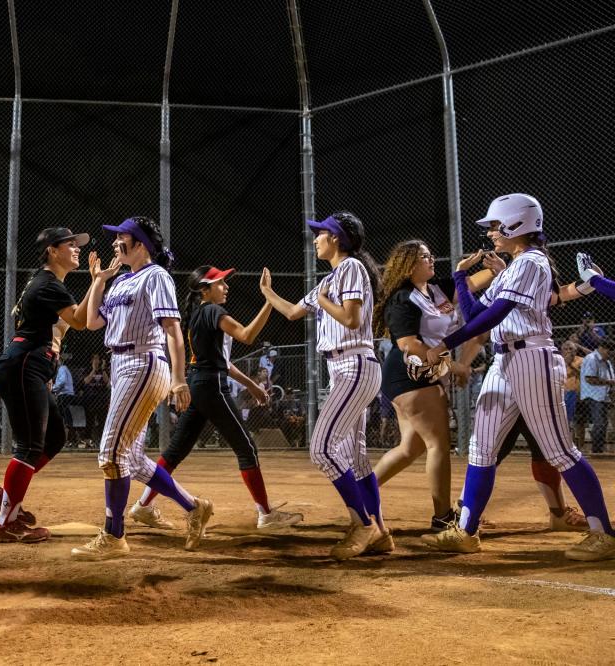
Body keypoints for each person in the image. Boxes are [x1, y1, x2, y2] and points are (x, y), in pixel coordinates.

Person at [422, 193, 615, 561]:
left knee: (559, 450)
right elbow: (478, 312)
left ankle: (603, 533)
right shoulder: (514, 266)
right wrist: (461, 278)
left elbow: (495, 315)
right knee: (482, 447)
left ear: (516, 225)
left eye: (496, 225)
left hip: (531, 359)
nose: (492, 233)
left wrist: (446, 343)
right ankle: (465, 531)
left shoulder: (531, 262)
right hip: (503, 360)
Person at [71, 216, 214, 560]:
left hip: (143, 363)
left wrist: (179, 378)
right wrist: (98, 282)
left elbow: (173, 330)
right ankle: (195, 507)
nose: (114, 244)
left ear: (140, 245)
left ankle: (113, 535)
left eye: (121, 239)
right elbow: (91, 322)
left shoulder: (156, 276)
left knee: (111, 454)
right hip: (121, 365)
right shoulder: (120, 281)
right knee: (132, 459)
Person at [128, 265, 303, 531]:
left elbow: (224, 361)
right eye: (220, 282)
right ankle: (265, 514)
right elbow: (247, 335)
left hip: (200, 384)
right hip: (212, 386)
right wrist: (269, 300)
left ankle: (143, 506)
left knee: (175, 452)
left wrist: (252, 386)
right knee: (246, 448)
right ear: (204, 289)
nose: (226, 286)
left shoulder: (199, 314)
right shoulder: (213, 311)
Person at [260, 211, 390, 560]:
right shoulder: (331, 278)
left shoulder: (349, 268)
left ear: (336, 239)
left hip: (354, 364)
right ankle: (379, 530)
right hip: (346, 367)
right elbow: (291, 313)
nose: (315, 238)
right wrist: (268, 293)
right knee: (357, 459)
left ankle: (362, 524)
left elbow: (352, 317)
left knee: (322, 448)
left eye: (321, 234)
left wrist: (324, 300)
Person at [370, 240, 497, 532]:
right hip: (409, 373)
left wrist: (493, 262)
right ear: (410, 265)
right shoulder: (403, 299)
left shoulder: (436, 289)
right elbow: (409, 346)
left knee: (410, 447)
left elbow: (474, 283)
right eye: (425, 257)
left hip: (424, 370)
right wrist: (453, 367)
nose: (432, 260)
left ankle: (361, 492)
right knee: (438, 443)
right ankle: (443, 517)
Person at [0, 227, 96, 544]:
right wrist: (98, 280)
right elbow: (79, 320)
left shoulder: (45, 283)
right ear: (51, 250)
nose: (76, 248)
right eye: (70, 244)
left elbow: (76, 321)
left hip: (30, 367)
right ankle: (5, 521)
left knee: (55, 437)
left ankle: (7, 496)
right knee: (30, 445)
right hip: (25, 366)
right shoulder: (47, 283)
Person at [579, 339, 614, 454]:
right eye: (608, 352)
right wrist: (609, 382)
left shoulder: (606, 361)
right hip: (593, 396)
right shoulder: (591, 359)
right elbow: (589, 379)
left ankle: (598, 450)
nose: (610, 356)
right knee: (599, 423)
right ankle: (596, 451)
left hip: (603, 396)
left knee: (602, 424)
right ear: (602, 348)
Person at [82, 352, 110, 442]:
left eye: (98, 359)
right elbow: (86, 381)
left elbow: (107, 383)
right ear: (91, 361)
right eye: (95, 358)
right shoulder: (88, 369)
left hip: (101, 399)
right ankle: (87, 440)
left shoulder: (103, 371)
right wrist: (93, 370)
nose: (97, 361)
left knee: (102, 421)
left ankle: (102, 440)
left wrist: (103, 369)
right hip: (90, 399)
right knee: (89, 420)